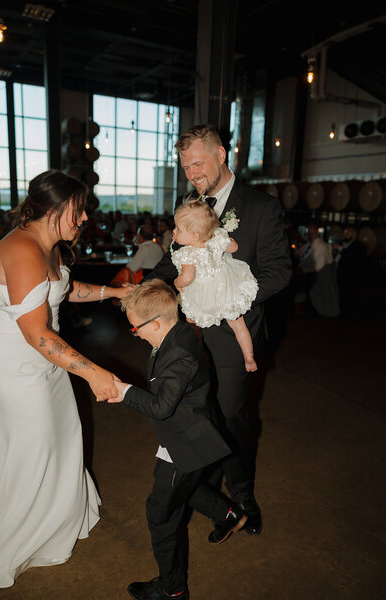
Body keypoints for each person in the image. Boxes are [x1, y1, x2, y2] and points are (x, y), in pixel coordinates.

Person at [0, 170, 132, 588]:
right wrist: (94, 373)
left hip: (43, 360)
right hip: (17, 367)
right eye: (79, 209)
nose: (84, 217)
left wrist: (114, 293)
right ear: (54, 208)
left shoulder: (46, 247)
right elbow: (36, 333)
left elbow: (61, 290)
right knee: (32, 446)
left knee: (57, 438)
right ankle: (14, 535)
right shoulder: (20, 249)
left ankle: (52, 519)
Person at [144, 124, 292, 535]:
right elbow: (174, 259)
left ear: (221, 155)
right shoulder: (186, 203)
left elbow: (280, 272)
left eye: (197, 163)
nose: (191, 174)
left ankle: (242, 492)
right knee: (195, 413)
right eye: (185, 166)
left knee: (231, 416)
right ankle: (211, 493)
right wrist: (148, 286)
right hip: (188, 332)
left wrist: (231, 300)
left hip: (232, 332)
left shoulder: (262, 207)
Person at [110, 279, 247, 600]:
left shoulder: (179, 357)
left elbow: (160, 407)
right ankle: (227, 515)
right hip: (194, 432)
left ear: (154, 324)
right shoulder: (180, 331)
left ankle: (173, 590)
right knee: (186, 488)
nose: (136, 334)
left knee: (160, 514)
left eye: (135, 329)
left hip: (185, 441)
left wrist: (124, 391)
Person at [172, 199, 259, 372]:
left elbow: (188, 278)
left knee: (191, 320)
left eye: (178, 229)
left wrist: (176, 282)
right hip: (226, 284)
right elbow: (234, 247)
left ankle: (195, 354)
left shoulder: (187, 253)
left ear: (195, 236)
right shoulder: (216, 238)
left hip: (204, 291)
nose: (174, 231)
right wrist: (218, 237)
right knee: (238, 324)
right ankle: (249, 357)